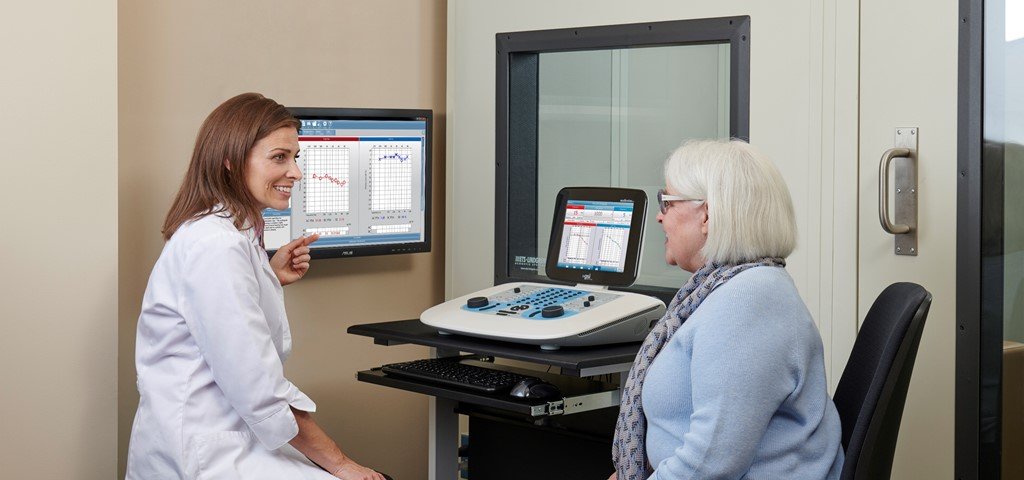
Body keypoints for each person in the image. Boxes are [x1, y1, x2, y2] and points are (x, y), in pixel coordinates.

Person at [126, 93, 386, 480]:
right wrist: (342, 464)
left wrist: (267, 275)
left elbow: (217, 315)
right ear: (230, 161)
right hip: (207, 452)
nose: (296, 172)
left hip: (228, 438)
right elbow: (259, 391)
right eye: (279, 157)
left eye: (295, 158)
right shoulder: (217, 245)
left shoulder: (225, 232)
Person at [611, 139, 844, 479]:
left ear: (706, 215)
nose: (660, 217)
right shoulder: (723, 289)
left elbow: (712, 463)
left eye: (667, 201)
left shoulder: (748, 300)